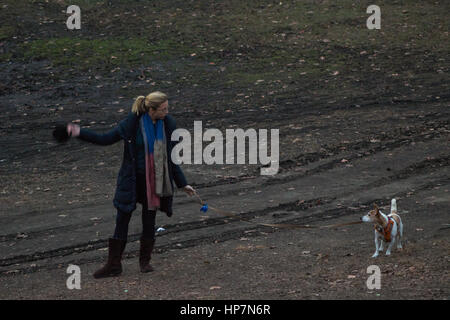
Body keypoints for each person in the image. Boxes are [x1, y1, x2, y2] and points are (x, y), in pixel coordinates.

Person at [66, 91, 195, 278]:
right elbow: (105, 139)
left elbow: (171, 159)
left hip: (155, 181)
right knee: (122, 218)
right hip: (132, 180)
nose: (167, 112)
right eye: (163, 109)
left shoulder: (168, 125)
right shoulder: (131, 124)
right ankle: (113, 265)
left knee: (149, 220)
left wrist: (183, 184)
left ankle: (145, 262)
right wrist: (78, 132)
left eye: (167, 108)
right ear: (151, 110)